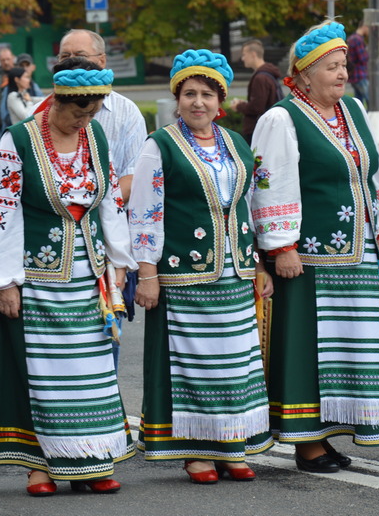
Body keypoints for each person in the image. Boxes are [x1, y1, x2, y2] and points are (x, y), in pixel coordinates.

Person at [0, 57, 137, 496]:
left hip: (89, 277)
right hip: (37, 278)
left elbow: (109, 204)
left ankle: (94, 456)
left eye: (92, 112)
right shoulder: (19, 141)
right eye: (77, 112)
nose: (84, 120)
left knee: (91, 371)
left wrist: (118, 262)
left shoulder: (95, 136)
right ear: (56, 102)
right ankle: (40, 465)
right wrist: (4, 281)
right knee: (42, 372)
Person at [250, 20, 379, 472]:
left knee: (346, 348)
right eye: (330, 67)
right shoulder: (282, 118)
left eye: (343, 64)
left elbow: (369, 177)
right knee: (308, 347)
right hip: (307, 257)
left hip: (355, 253)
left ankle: (330, 432)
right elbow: (268, 182)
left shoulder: (351, 111)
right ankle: (305, 442)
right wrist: (281, 246)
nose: (341, 73)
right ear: (304, 73)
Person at [131, 49, 273, 484]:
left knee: (235, 364)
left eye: (207, 95)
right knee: (195, 365)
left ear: (220, 100)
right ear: (177, 99)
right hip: (183, 275)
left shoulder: (237, 144)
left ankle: (231, 445)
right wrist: (147, 271)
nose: (198, 103)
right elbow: (145, 211)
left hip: (234, 272)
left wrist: (261, 262)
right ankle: (196, 452)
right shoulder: (160, 146)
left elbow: (251, 205)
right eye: (189, 94)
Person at [54, 29, 148, 370]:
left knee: (103, 342)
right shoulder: (42, 109)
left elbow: (134, 178)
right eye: (64, 57)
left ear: (102, 62)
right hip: (53, 246)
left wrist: (87, 204)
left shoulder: (125, 113)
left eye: (79, 55)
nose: (72, 63)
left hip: (107, 243)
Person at [230, 40, 282, 144]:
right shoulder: (268, 74)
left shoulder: (260, 77)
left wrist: (238, 106)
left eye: (244, 54)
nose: (242, 58)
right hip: (268, 129)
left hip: (259, 130)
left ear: (253, 54)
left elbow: (257, 107)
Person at [346, 22, 369, 106]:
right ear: (364, 26)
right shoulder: (358, 39)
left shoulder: (351, 38)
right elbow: (363, 58)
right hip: (360, 74)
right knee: (370, 100)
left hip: (354, 75)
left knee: (359, 101)